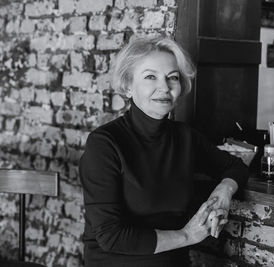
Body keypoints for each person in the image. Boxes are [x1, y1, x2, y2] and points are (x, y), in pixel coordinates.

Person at [79, 36, 249, 267]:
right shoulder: (105, 143)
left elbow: (235, 167)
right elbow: (111, 236)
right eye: (151, 77)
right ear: (128, 87)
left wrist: (223, 193)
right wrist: (188, 235)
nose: (165, 87)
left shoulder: (185, 137)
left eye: (172, 78)